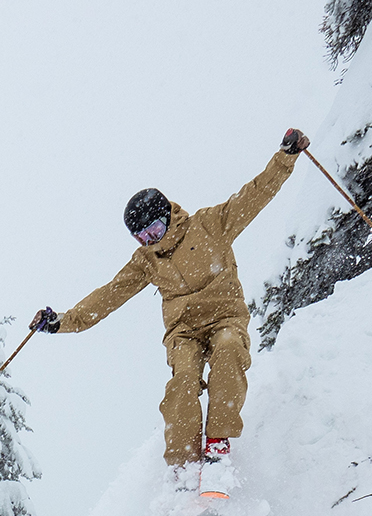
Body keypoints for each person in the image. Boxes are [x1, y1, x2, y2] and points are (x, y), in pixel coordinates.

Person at [32, 128, 312, 487]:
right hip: (184, 333)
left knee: (228, 352)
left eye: (155, 230)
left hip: (225, 316)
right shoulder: (146, 262)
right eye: (143, 237)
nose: (152, 240)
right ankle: (182, 468)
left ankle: (217, 443)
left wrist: (286, 157)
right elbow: (108, 296)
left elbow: (254, 195)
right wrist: (62, 322)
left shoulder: (210, 225)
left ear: (169, 215)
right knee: (182, 384)